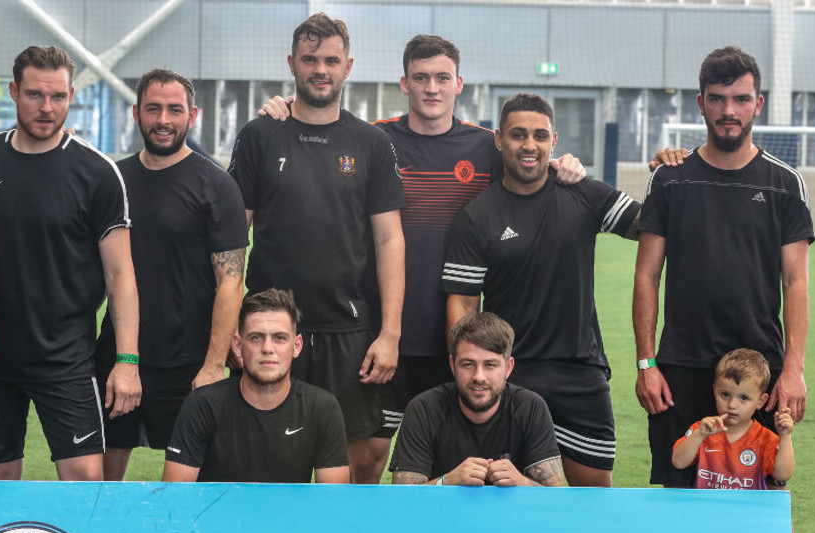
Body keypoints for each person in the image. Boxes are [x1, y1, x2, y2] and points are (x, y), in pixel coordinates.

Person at [258, 37, 586, 463]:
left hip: (455, 336)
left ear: (459, 84)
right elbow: (318, 124)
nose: (432, 88)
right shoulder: (371, 140)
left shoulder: (488, 147)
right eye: (421, 78)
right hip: (380, 332)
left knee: (454, 458)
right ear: (404, 83)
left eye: (442, 78)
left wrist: (566, 164)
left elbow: (532, 160)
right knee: (367, 455)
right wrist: (281, 109)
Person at [227, 13, 405, 484]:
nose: (320, 69)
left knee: (362, 458)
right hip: (271, 328)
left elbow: (390, 239)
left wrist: (389, 334)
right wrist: (229, 330)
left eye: (331, 60)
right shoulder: (259, 135)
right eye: (310, 60)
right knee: (267, 455)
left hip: (349, 329)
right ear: (292, 64)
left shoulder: (370, 143)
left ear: (349, 66)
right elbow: (230, 241)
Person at [0, 45, 141, 482]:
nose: (47, 107)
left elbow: (121, 275)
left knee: (83, 481)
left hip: (66, 358)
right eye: (35, 95)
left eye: (57, 96)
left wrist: (127, 360)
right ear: (13, 92)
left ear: (71, 95)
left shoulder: (97, 173)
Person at [634, 46, 813, 487]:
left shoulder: (785, 185)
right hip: (681, 368)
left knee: (764, 499)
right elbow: (646, 276)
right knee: (676, 496)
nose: (728, 110)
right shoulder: (671, 179)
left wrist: (792, 370)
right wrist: (646, 364)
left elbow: (796, 282)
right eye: (717, 98)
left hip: (759, 370)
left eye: (740, 99)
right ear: (701, 103)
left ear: (758, 104)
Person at [443, 93, 641, 487]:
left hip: (580, 373)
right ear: (499, 139)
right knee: (503, 494)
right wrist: (475, 368)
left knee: (593, 500)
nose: (529, 145)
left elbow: (651, 225)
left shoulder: (583, 193)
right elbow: (463, 302)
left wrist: (667, 172)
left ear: (554, 139)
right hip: (514, 376)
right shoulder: (477, 216)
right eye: (518, 135)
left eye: (539, 135)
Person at [93, 68, 248, 481]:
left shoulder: (216, 185)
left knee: (190, 489)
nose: (164, 119)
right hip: (119, 356)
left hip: (190, 363)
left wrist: (214, 365)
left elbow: (231, 281)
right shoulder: (114, 180)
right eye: (154, 108)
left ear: (192, 116)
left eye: (174, 110)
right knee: (100, 489)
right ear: (136, 114)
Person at [162, 289, 350, 483]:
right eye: (256, 337)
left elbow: (332, 502)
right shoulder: (202, 405)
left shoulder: (322, 407)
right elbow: (175, 500)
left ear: (296, 346)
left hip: (288, 514)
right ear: (237, 346)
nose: (267, 348)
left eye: (279, 338)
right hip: (220, 513)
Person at [389, 312, 563, 487]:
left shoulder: (530, 407)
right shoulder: (424, 408)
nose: (479, 376)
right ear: (452, 365)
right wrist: (446, 482)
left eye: (490, 365)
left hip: (508, 514)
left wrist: (521, 483)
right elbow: (403, 498)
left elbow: (556, 498)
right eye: (468, 364)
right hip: (443, 514)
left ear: (508, 367)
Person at [672, 348, 795, 490]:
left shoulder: (765, 439)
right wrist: (699, 435)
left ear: (761, 401)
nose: (732, 405)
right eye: (725, 394)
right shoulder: (702, 429)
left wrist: (785, 437)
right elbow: (678, 462)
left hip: (747, 511)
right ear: (714, 391)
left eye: (744, 398)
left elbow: (783, 475)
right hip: (707, 509)